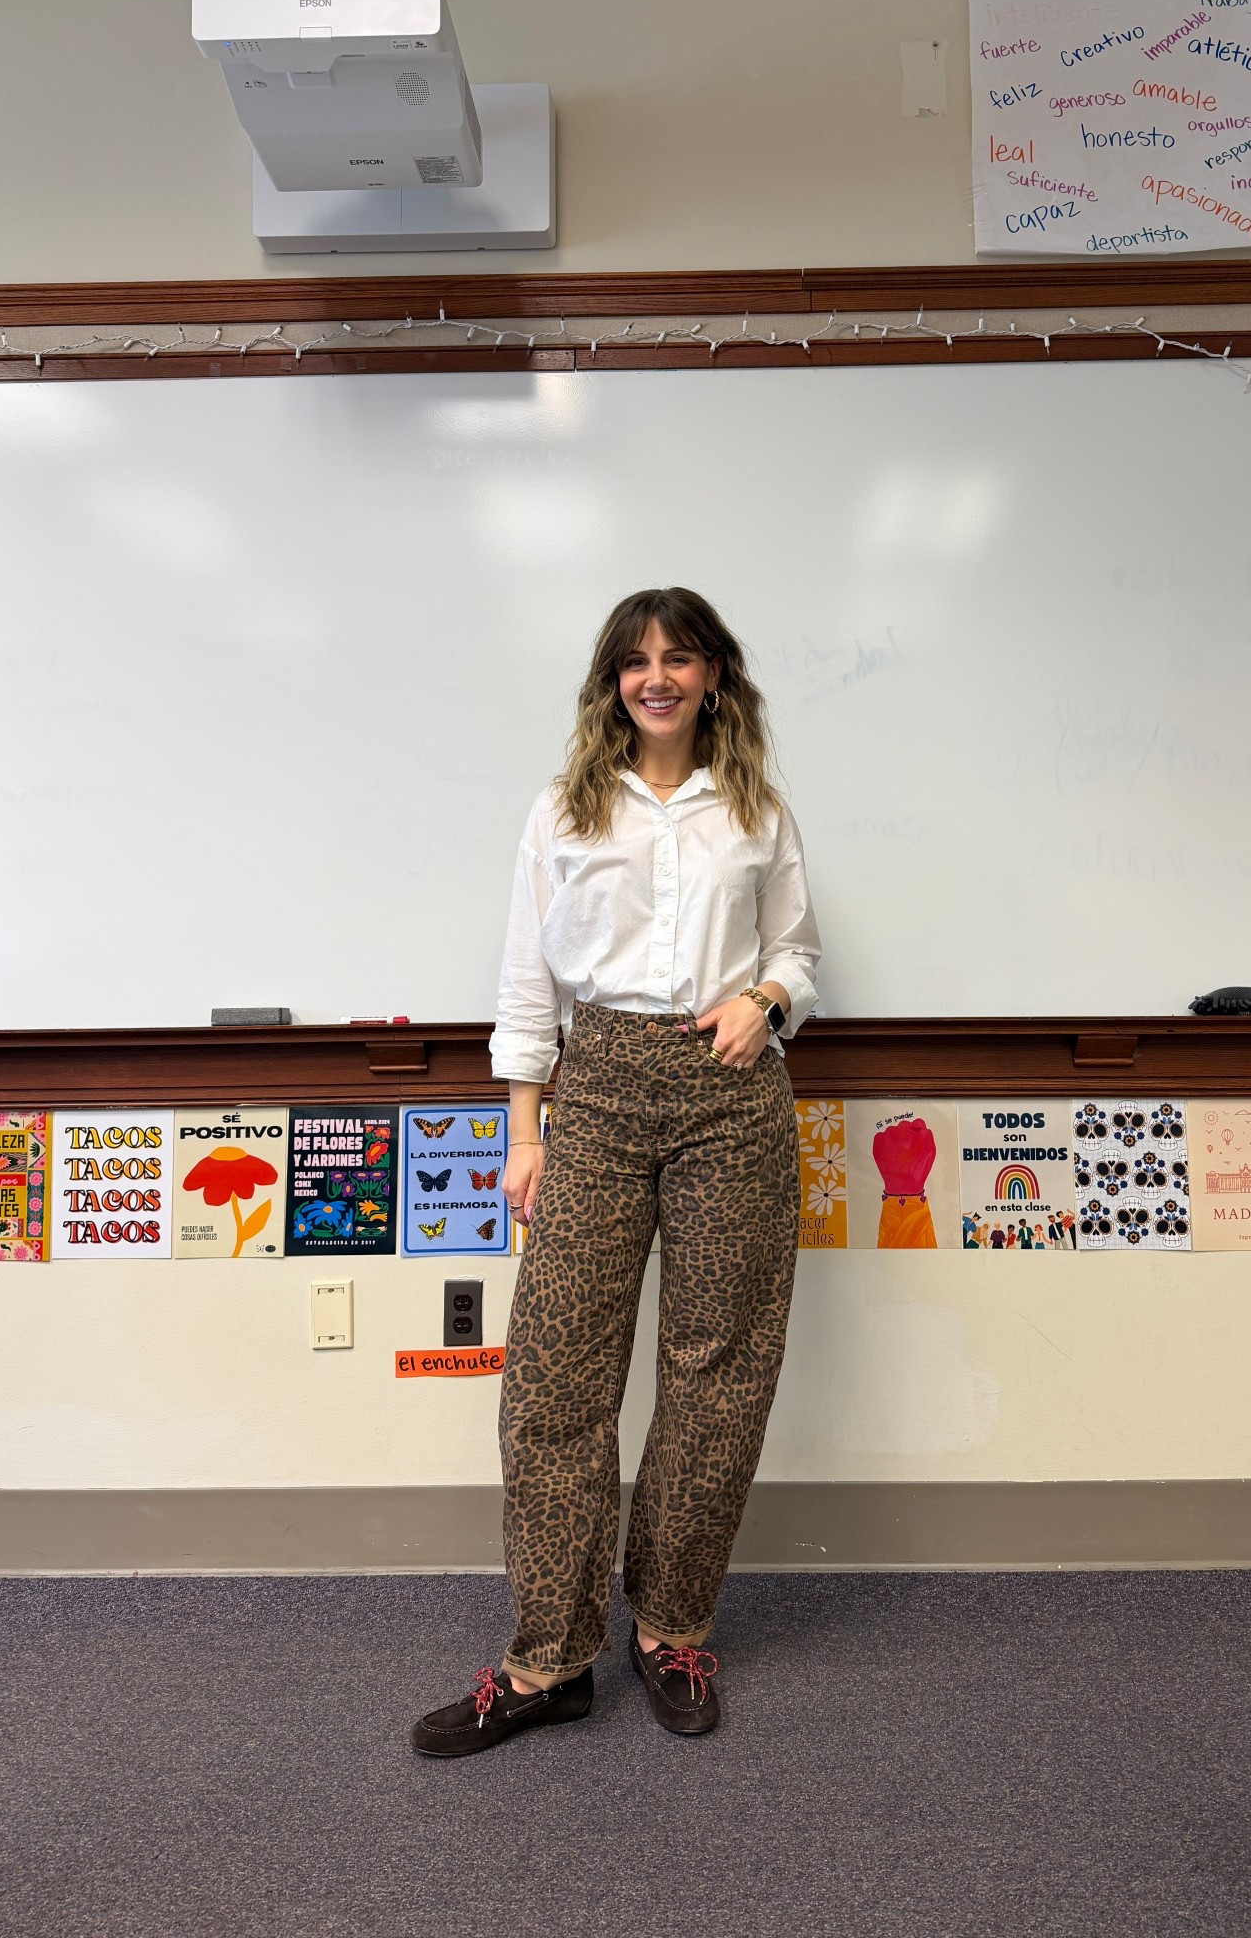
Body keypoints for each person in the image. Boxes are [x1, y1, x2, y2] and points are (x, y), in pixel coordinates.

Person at [412, 587, 821, 1758]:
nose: (658, 677)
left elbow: (798, 950)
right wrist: (525, 1130)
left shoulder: (756, 806)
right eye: (637, 660)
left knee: (719, 1367)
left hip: (730, 1094)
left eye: (679, 657)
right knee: (555, 1377)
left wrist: (766, 999)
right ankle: (548, 1657)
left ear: (712, 674)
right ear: (612, 682)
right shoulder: (563, 808)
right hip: (593, 1087)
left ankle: (671, 1627)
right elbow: (527, 980)